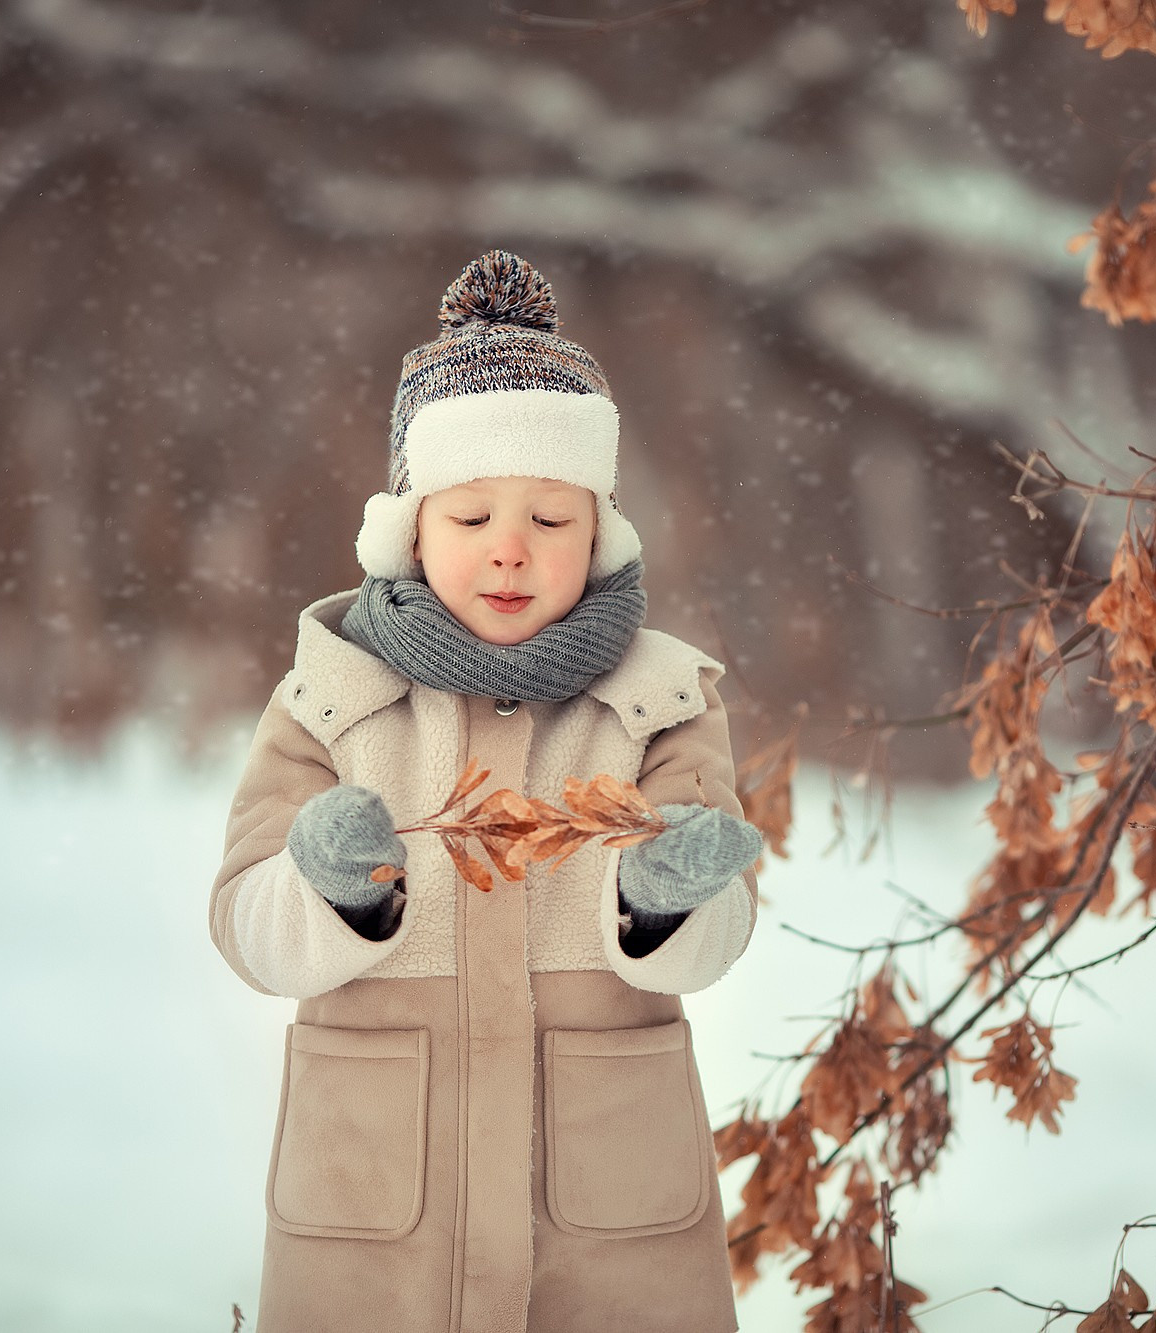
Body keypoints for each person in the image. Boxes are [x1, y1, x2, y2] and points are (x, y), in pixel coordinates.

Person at [208, 249, 763, 1333]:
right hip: (379, 1222)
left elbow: (723, 929)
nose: (509, 552)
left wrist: (665, 900)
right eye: (470, 520)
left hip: (605, 1231)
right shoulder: (331, 701)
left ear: (596, 533)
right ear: (408, 529)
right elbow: (243, 924)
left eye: (549, 521)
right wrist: (331, 892)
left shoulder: (659, 704)